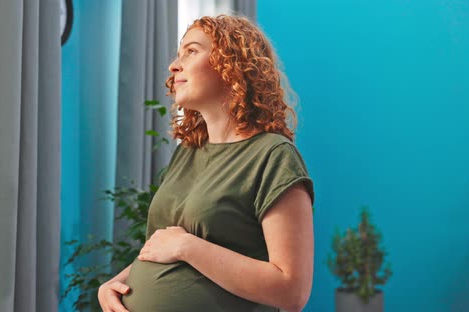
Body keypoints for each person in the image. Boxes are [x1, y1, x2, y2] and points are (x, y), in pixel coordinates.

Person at [98, 15, 315, 312]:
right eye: (179, 52)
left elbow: (292, 291)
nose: (175, 65)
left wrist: (189, 247)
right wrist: (114, 284)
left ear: (232, 65)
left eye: (191, 51)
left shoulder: (273, 156)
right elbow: (163, 246)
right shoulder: (189, 151)